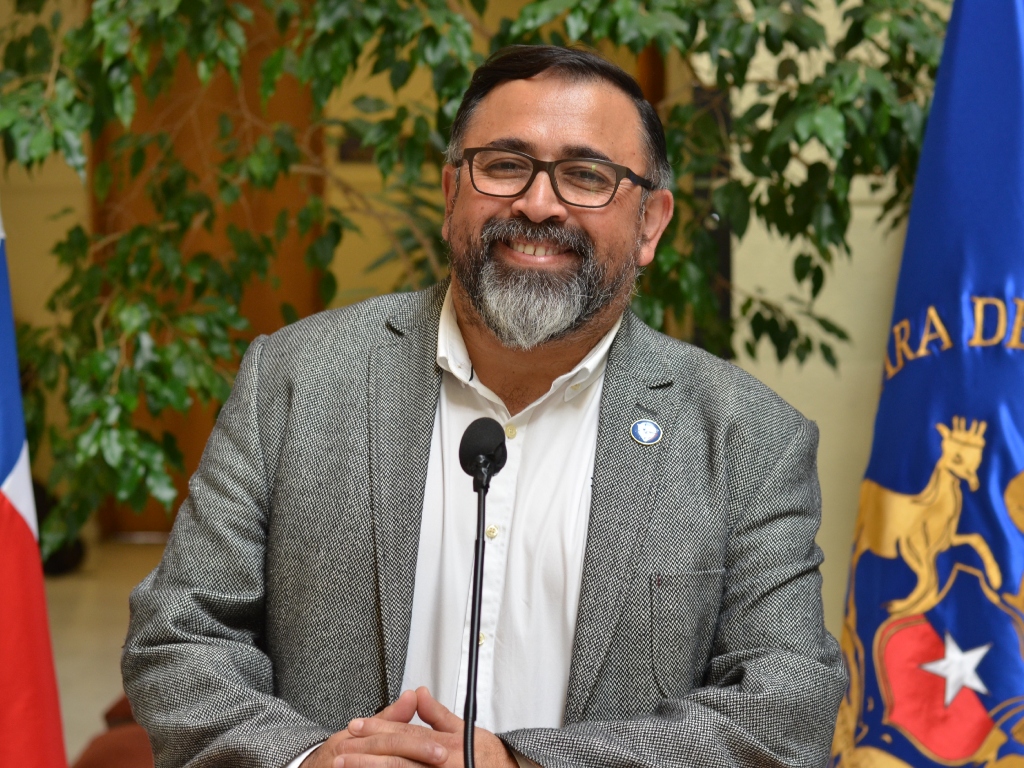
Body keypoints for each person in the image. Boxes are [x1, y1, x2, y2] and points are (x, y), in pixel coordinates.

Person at [122, 45, 847, 768]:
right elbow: (178, 636)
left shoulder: (748, 440)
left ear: (651, 223)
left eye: (586, 176)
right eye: (504, 165)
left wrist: (523, 766)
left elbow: (787, 709)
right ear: (450, 195)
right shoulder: (297, 380)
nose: (538, 204)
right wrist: (310, 761)